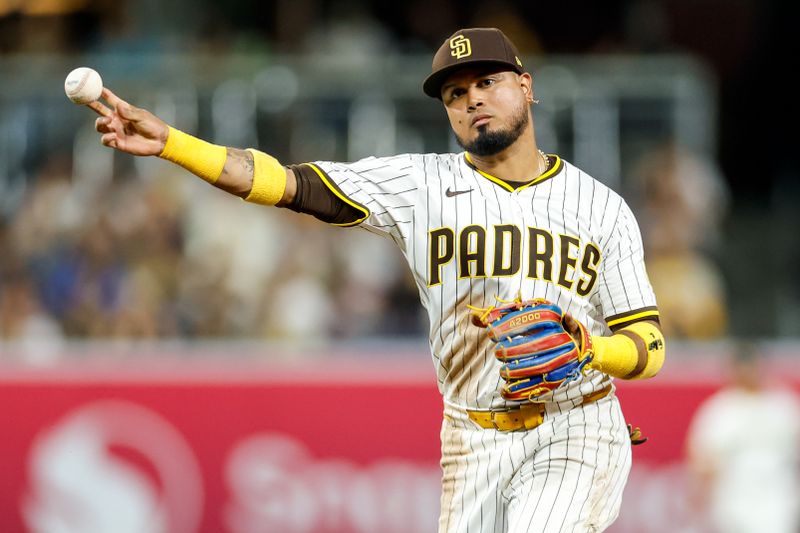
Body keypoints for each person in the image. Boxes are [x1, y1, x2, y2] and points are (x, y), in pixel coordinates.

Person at [87, 27, 666, 533]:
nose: (473, 101)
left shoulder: (600, 207)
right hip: (472, 434)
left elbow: (649, 347)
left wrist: (591, 348)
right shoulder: (421, 185)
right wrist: (173, 145)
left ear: (527, 85)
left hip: (576, 424)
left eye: (488, 82)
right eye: (456, 94)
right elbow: (286, 183)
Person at [686, 344, 800, 533]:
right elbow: (703, 463)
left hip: (779, 503)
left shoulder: (784, 406)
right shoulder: (720, 410)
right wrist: (699, 504)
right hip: (733, 506)